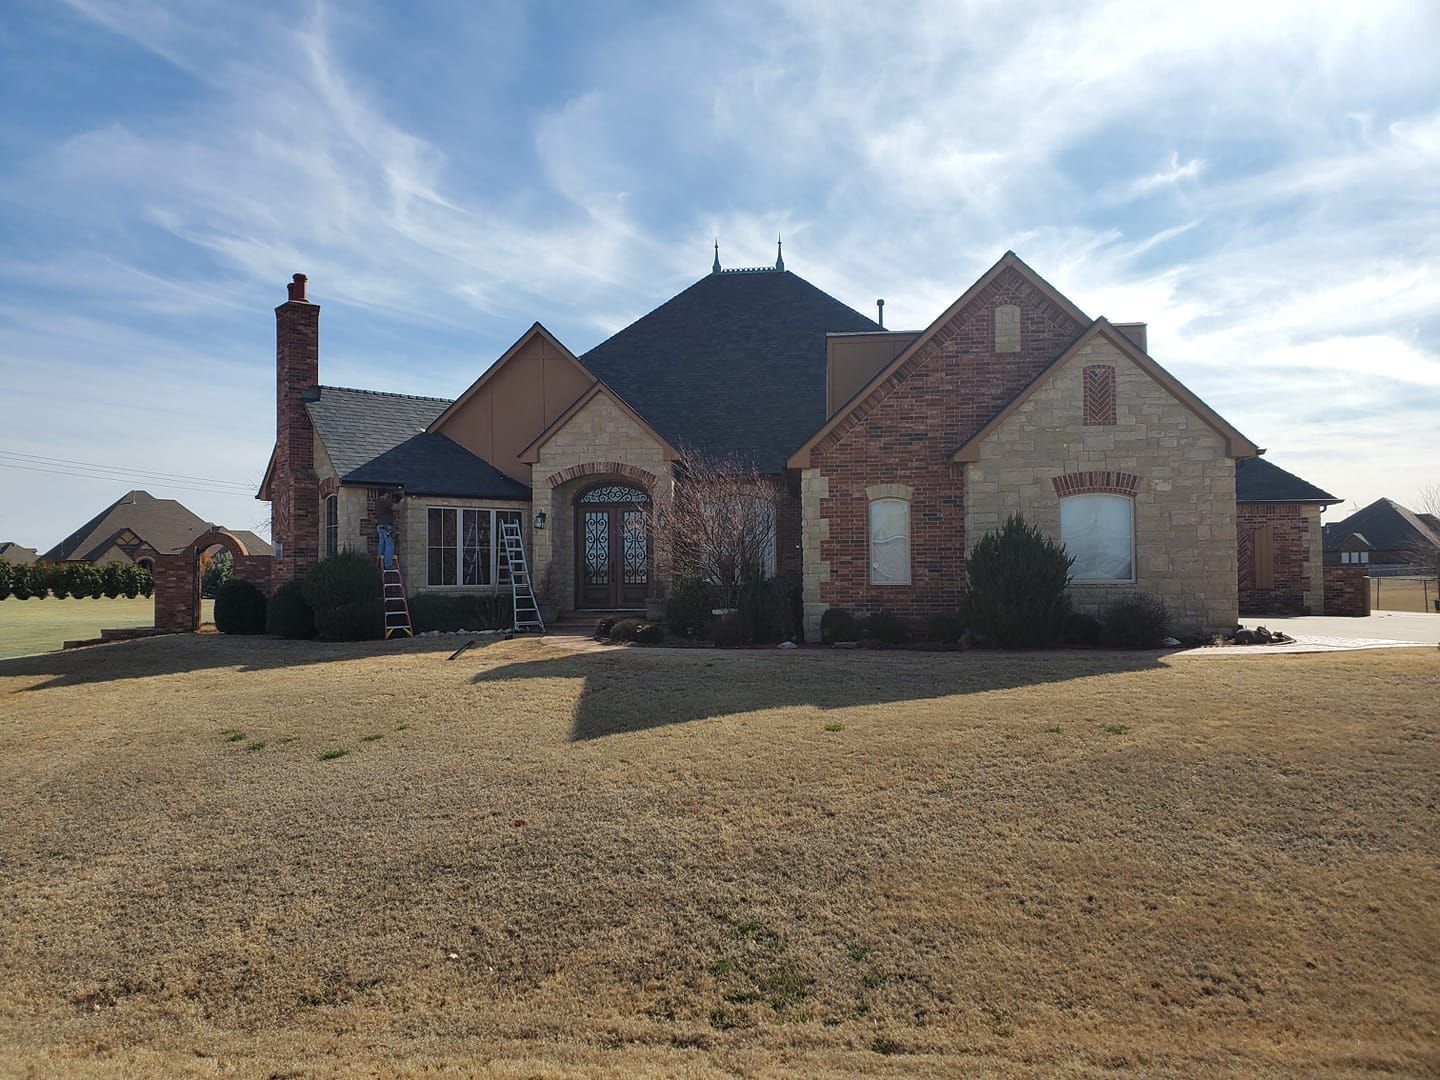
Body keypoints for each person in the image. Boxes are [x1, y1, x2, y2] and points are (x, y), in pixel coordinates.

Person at [374, 490, 402, 568]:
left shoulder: (378, 503)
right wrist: (401, 501)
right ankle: (388, 564)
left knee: (382, 543)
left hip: (380, 526)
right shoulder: (385, 501)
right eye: (387, 495)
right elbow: (395, 508)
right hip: (387, 527)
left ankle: (380, 560)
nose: (388, 496)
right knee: (390, 544)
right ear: (385, 494)